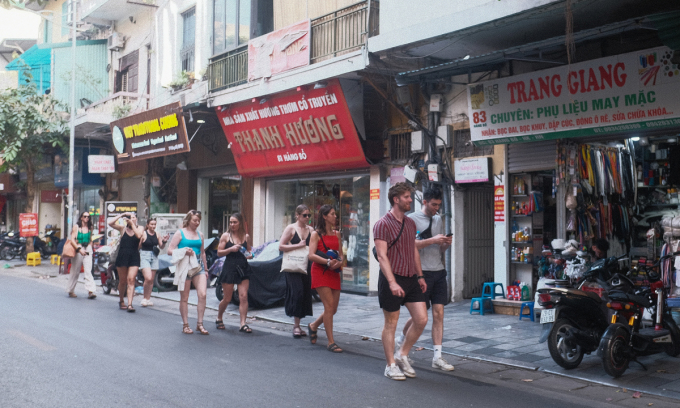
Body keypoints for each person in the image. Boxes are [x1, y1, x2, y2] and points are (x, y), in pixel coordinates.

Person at [374, 182, 427, 380]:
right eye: (406, 197)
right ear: (396, 199)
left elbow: (412, 250)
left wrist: (420, 275)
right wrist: (392, 282)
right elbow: (382, 256)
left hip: (411, 278)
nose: (410, 200)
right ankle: (390, 365)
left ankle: (402, 353)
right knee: (391, 323)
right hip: (392, 277)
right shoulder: (382, 224)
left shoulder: (410, 223)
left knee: (421, 319)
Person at [397, 187, 454, 371]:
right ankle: (401, 340)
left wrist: (444, 244)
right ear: (424, 202)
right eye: (433, 205)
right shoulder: (412, 219)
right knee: (420, 316)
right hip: (421, 273)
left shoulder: (438, 219)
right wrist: (432, 240)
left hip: (439, 270)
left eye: (439, 205)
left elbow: (439, 249)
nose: (436, 209)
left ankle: (437, 356)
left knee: (439, 314)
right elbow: (409, 245)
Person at [307, 205, 344, 353]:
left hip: (334, 272)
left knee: (333, 309)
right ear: (324, 216)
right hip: (320, 271)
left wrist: (339, 262)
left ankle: (313, 326)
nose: (335, 216)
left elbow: (341, 254)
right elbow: (311, 255)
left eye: (335, 214)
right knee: (328, 307)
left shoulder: (337, 234)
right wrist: (328, 262)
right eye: (332, 214)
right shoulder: (316, 234)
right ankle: (331, 342)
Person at [167, 210, 209, 334]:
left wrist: (206, 269)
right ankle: (185, 324)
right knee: (184, 297)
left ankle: (200, 324)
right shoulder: (180, 233)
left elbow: (203, 252)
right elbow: (170, 250)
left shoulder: (200, 234)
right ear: (189, 220)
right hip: (184, 266)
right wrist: (184, 251)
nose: (197, 223)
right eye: (195, 220)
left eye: (198, 221)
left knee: (203, 294)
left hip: (198, 266)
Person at [279, 205, 314, 338]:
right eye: (304, 215)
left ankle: (300, 324)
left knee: (305, 293)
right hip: (293, 266)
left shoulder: (311, 229)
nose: (307, 218)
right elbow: (281, 246)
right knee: (297, 293)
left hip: (306, 265)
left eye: (308, 215)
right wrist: (297, 245)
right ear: (297, 215)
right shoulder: (291, 228)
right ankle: (296, 326)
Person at [215, 213, 253, 333]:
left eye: (234, 222)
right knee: (227, 298)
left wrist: (250, 255)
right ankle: (219, 317)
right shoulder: (226, 236)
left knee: (243, 296)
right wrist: (230, 249)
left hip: (243, 267)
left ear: (240, 223)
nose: (232, 224)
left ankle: (243, 323)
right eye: (230, 222)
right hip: (229, 267)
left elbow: (249, 250)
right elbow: (219, 253)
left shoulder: (246, 236)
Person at [109, 212, 144, 312]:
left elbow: (138, 235)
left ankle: (130, 304)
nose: (132, 219)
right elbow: (110, 223)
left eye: (133, 217)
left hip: (134, 256)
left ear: (136, 219)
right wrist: (121, 215)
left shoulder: (140, 228)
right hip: (122, 256)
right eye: (130, 218)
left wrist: (132, 224)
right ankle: (121, 300)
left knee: (131, 279)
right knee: (123, 281)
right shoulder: (123, 228)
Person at [138, 218, 169, 307]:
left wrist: (164, 241)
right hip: (144, 255)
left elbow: (161, 246)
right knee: (148, 278)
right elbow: (139, 246)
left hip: (154, 256)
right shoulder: (144, 233)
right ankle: (144, 298)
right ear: (147, 225)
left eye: (154, 224)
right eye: (151, 224)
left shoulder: (157, 234)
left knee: (151, 280)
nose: (153, 226)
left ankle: (148, 298)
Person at [66, 211, 97, 299]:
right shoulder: (76, 227)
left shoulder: (90, 227)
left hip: (87, 248)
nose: (87, 218)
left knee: (88, 270)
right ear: (81, 217)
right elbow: (72, 240)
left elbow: (91, 238)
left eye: (88, 217)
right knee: (75, 270)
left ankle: (91, 291)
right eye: (85, 216)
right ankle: (70, 290)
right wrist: (79, 249)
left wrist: (90, 247)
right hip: (78, 247)